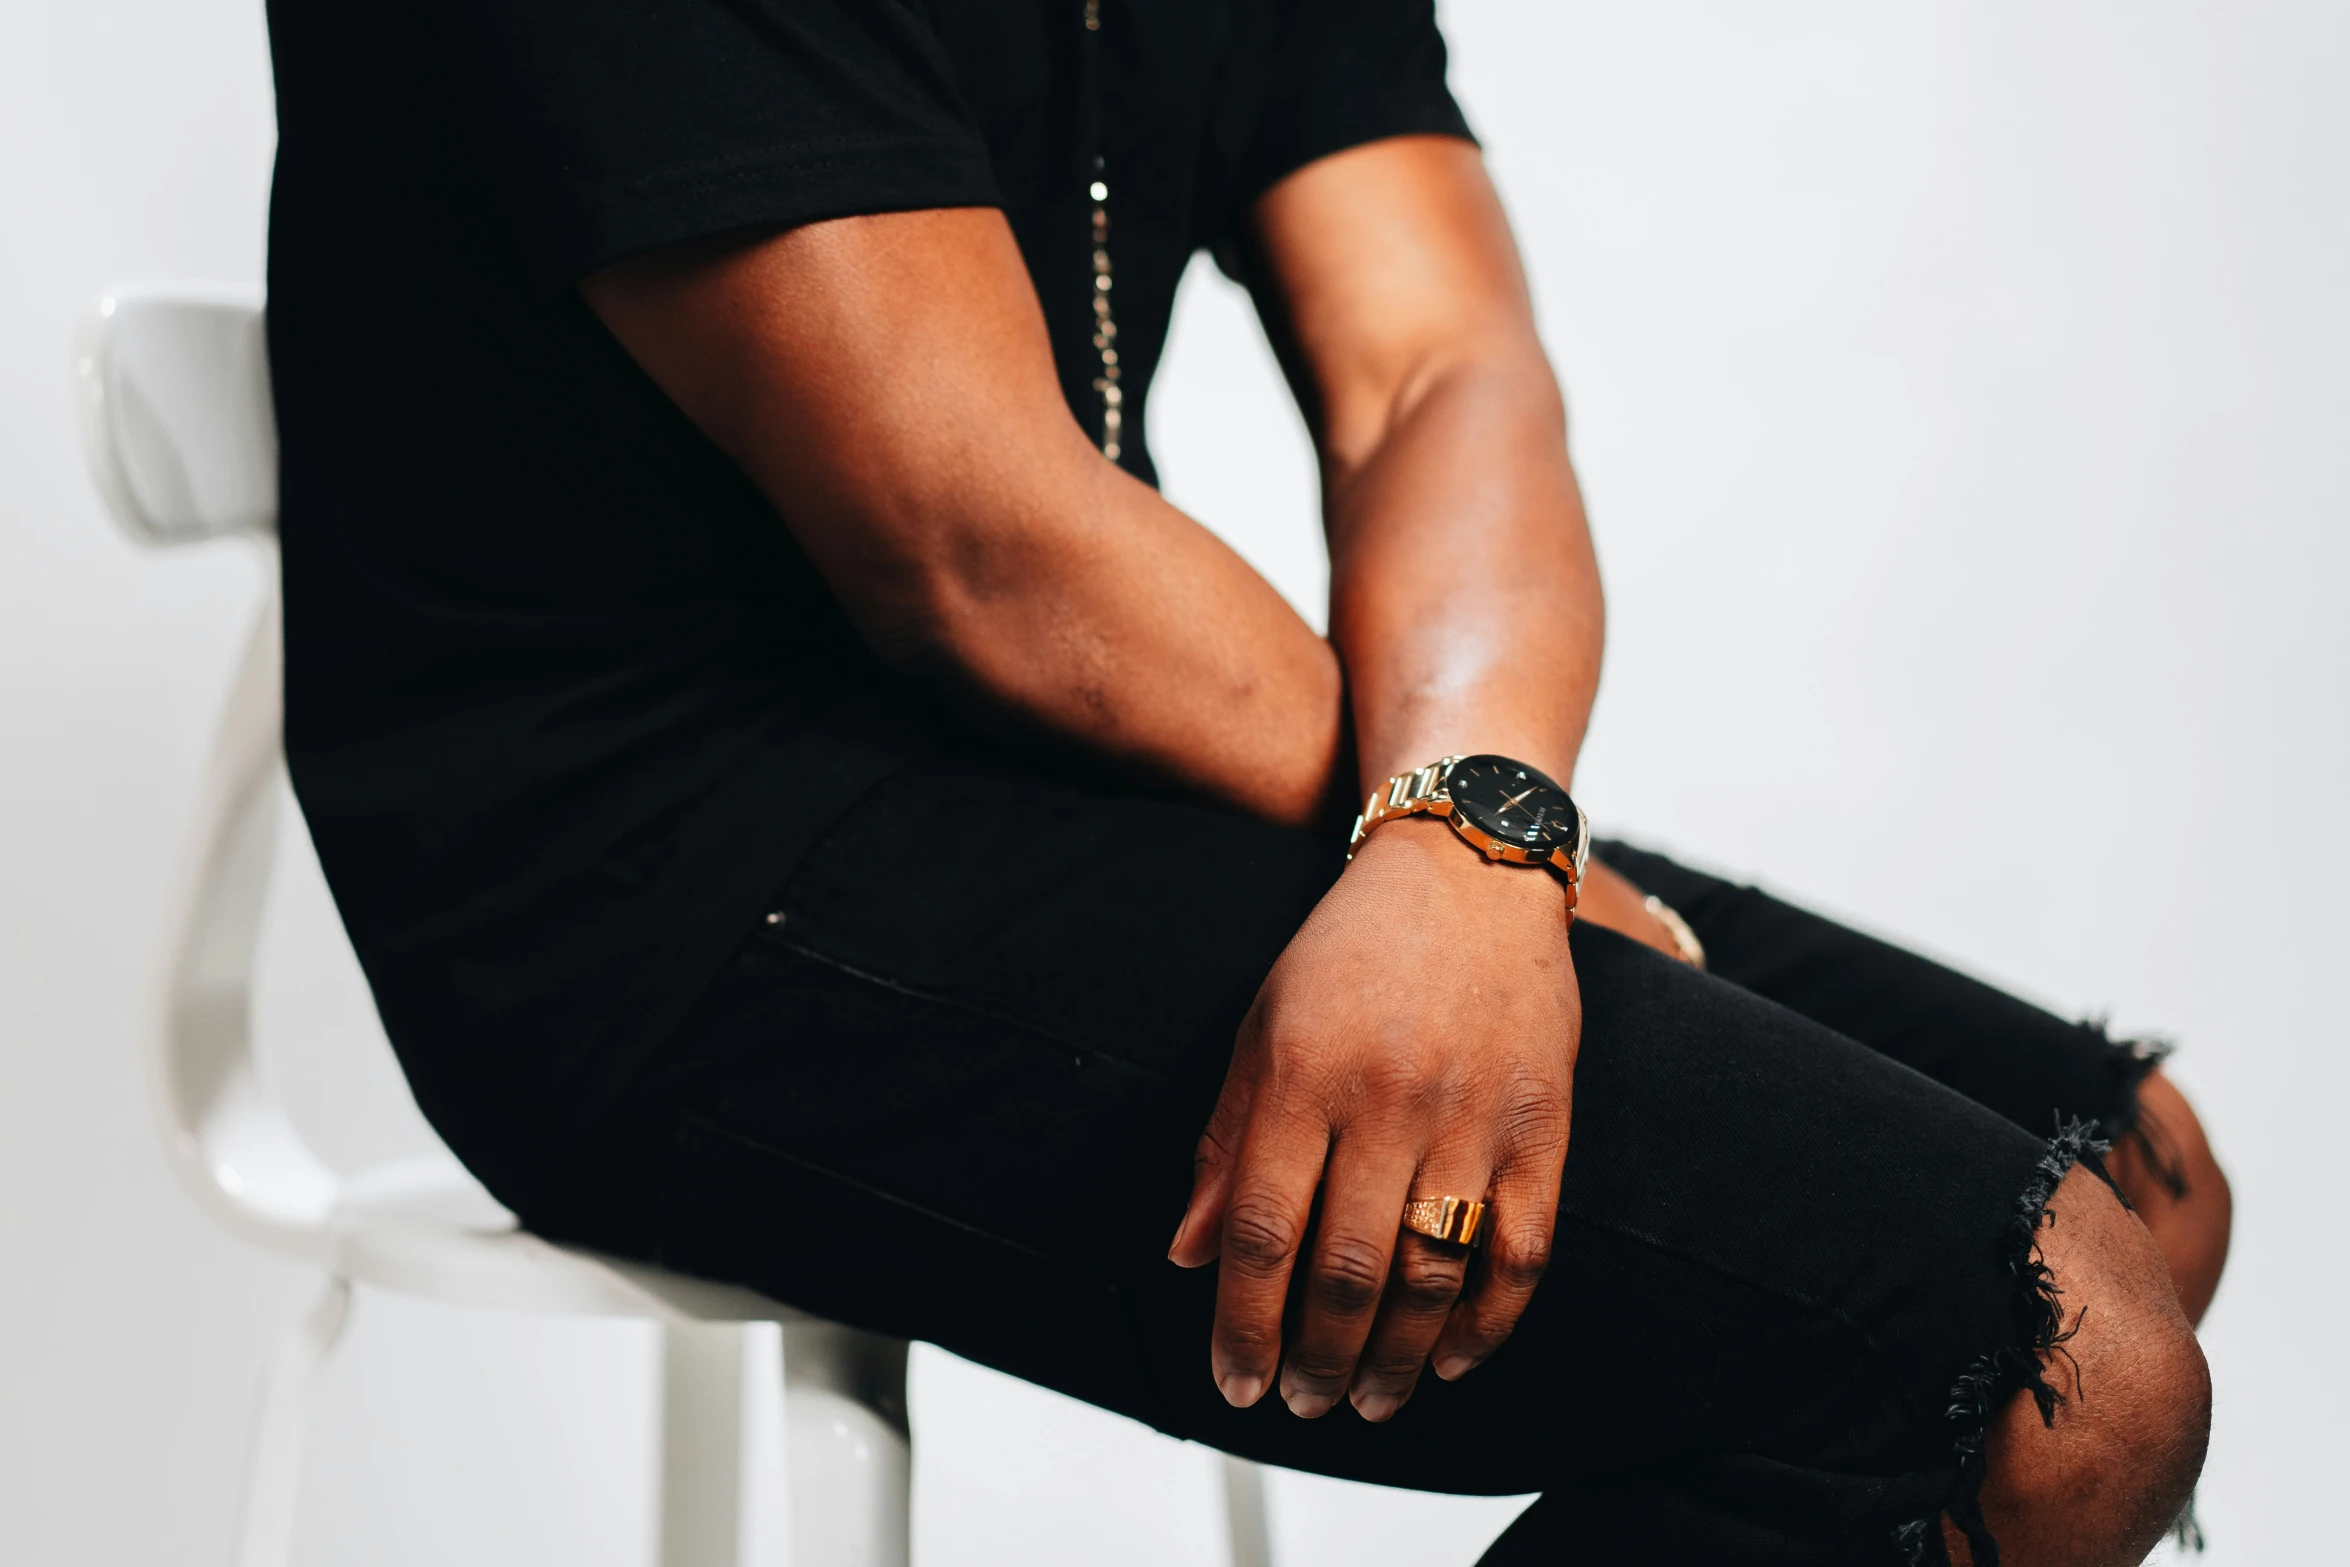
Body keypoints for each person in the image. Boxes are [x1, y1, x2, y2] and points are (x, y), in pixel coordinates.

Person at [262, 0, 2229, 1561]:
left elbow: (1433, 369)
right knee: (2060, 1363)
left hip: (1055, 774)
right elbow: (976, 540)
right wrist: (1472, 860)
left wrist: (1468, 827)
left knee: (2126, 1171)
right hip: (644, 882)